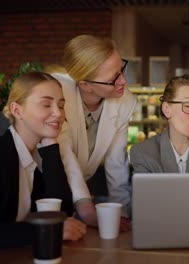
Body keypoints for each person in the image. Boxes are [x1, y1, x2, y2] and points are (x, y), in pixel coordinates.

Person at [0, 72, 86, 260]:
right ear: (17, 111)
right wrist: (39, 231)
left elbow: (60, 212)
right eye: (46, 104)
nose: (58, 113)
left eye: (61, 105)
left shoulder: (31, 156)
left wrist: (51, 147)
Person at [52, 35, 136, 230]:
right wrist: (87, 209)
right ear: (85, 85)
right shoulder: (58, 93)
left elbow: (117, 163)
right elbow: (65, 155)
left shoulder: (125, 101)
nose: (123, 81)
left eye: (121, 69)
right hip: (48, 190)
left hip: (83, 191)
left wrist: (120, 213)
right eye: (112, 79)